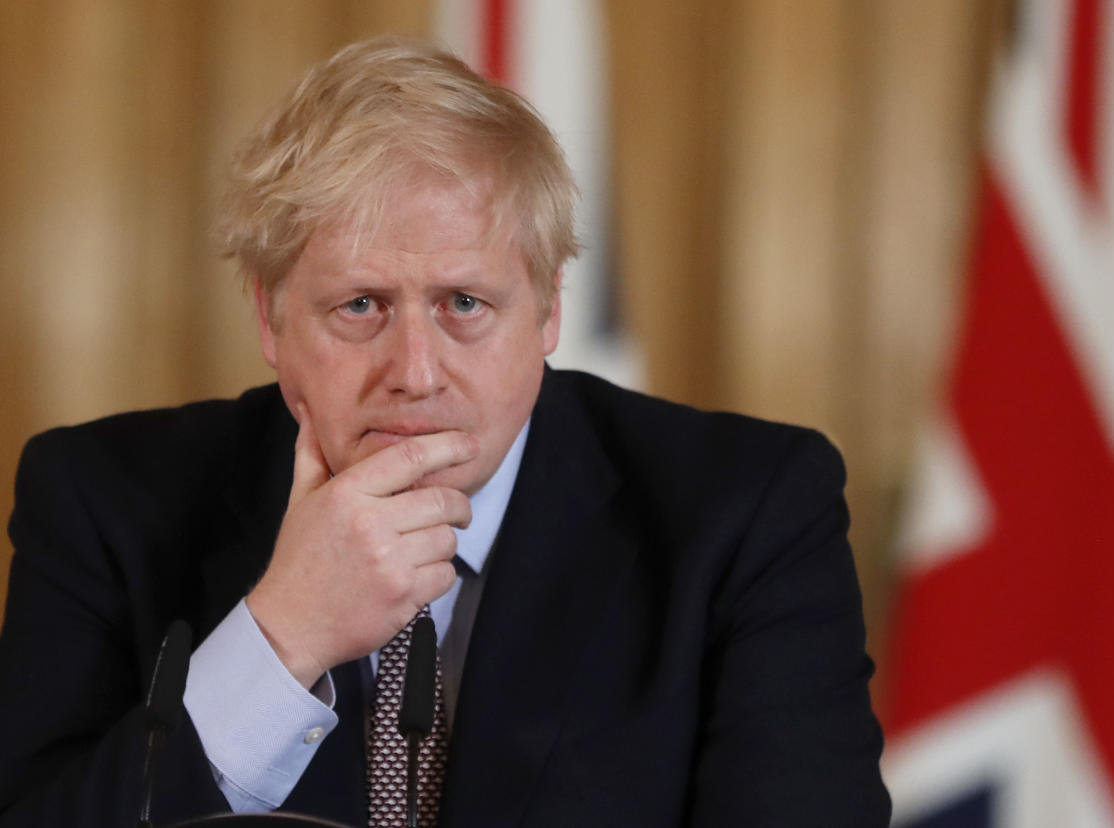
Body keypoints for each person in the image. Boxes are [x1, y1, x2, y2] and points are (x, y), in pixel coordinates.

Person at [0, 37, 890, 827]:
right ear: (272, 320)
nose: (415, 372)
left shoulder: (748, 510)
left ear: (546, 309)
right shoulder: (99, 499)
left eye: (465, 304)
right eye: (360, 306)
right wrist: (283, 639)